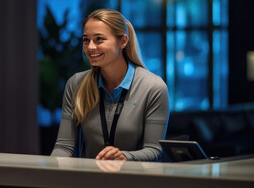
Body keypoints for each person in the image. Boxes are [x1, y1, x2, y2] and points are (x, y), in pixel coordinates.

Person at [51, 9, 169, 161]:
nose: (90, 47)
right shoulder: (76, 84)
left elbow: (154, 151)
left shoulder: (153, 87)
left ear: (123, 41)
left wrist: (124, 156)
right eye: (86, 40)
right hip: (89, 181)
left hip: (135, 181)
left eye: (99, 39)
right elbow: (63, 147)